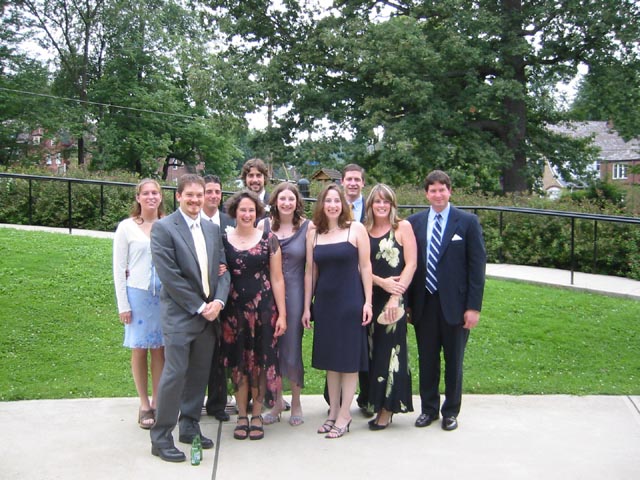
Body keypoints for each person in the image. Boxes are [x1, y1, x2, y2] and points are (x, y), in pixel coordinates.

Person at [149, 174, 230, 463]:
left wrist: (218, 302)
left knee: (198, 374)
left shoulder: (211, 229)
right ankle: (161, 437)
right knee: (175, 375)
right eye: (190, 195)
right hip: (181, 316)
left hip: (209, 316)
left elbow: (224, 269)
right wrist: (199, 306)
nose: (196, 200)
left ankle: (189, 426)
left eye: (200, 195)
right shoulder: (163, 228)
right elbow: (170, 277)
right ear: (179, 196)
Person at [406, 170, 486, 432]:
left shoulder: (467, 222)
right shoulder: (414, 223)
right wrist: (408, 303)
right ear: (426, 193)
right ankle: (428, 409)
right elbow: (409, 265)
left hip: (456, 306)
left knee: (454, 362)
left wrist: (473, 307)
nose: (438, 194)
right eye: (433, 190)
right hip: (424, 303)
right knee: (427, 360)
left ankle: (450, 411)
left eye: (442, 189)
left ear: (450, 191)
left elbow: (477, 268)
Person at [302, 184, 373, 439]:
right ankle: (332, 411)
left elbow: (366, 267)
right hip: (325, 303)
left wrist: (368, 302)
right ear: (321, 204)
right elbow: (310, 271)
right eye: (328, 201)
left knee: (348, 360)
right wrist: (306, 306)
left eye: (336, 201)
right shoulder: (314, 233)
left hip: (350, 301)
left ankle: (345, 414)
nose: (332, 205)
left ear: (343, 204)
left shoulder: (356, 229)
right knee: (331, 361)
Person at [221, 190, 287, 440]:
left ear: (257, 213)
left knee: (259, 364)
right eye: (243, 210)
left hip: (263, 312)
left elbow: (277, 279)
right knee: (239, 364)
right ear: (234, 212)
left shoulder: (269, 239)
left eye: (251, 210)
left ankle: (257, 415)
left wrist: (282, 315)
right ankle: (241, 415)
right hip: (234, 313)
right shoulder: (223, 240)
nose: (247, 214)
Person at [113, 179, 166, 430]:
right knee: (139, 348)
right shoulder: (127, 228)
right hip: (138, 294)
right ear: (138, 197)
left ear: (161, 196)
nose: (151, 197)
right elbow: (119, 268)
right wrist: (123, 304)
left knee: (160, 349)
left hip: (164, 295)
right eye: (146, 193)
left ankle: (157, 401)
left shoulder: (167, 225)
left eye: (155, 192)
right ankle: (144, 403)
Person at [364, 184, 417, 430]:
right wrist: (380, 282)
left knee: (390, 352)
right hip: (369, 297)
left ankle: (387, 409)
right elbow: (359, 266)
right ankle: (372, 402)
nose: (382, 205)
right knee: (372, 352)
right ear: (370, 204)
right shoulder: (363, 230)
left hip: (394, 300)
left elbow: (411, 264)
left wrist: (396, 295)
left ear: (392, 204)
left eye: (386, 201)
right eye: (377, 201)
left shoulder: (402, 227)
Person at [258, 182, 310, 427]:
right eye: (282, 198)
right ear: (275, 201)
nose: (287, 203)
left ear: (297, 202)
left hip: (296, 293)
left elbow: (311, 269)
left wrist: (308, 305)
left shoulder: (308, 227)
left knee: (292, 347)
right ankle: (277, 401)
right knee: (272, 348)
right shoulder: (263, 226)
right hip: (268, 293)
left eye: (291, 199)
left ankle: (296, 402)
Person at [201, 174, 236, 422]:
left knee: (220, 352)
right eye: (209, 191)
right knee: (197, 353)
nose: (213, 196)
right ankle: (192, 403)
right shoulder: (191, 221)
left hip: (226, 295)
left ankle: (217, 403)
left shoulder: (228, 221)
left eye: (217, 191)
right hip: (198, 295)